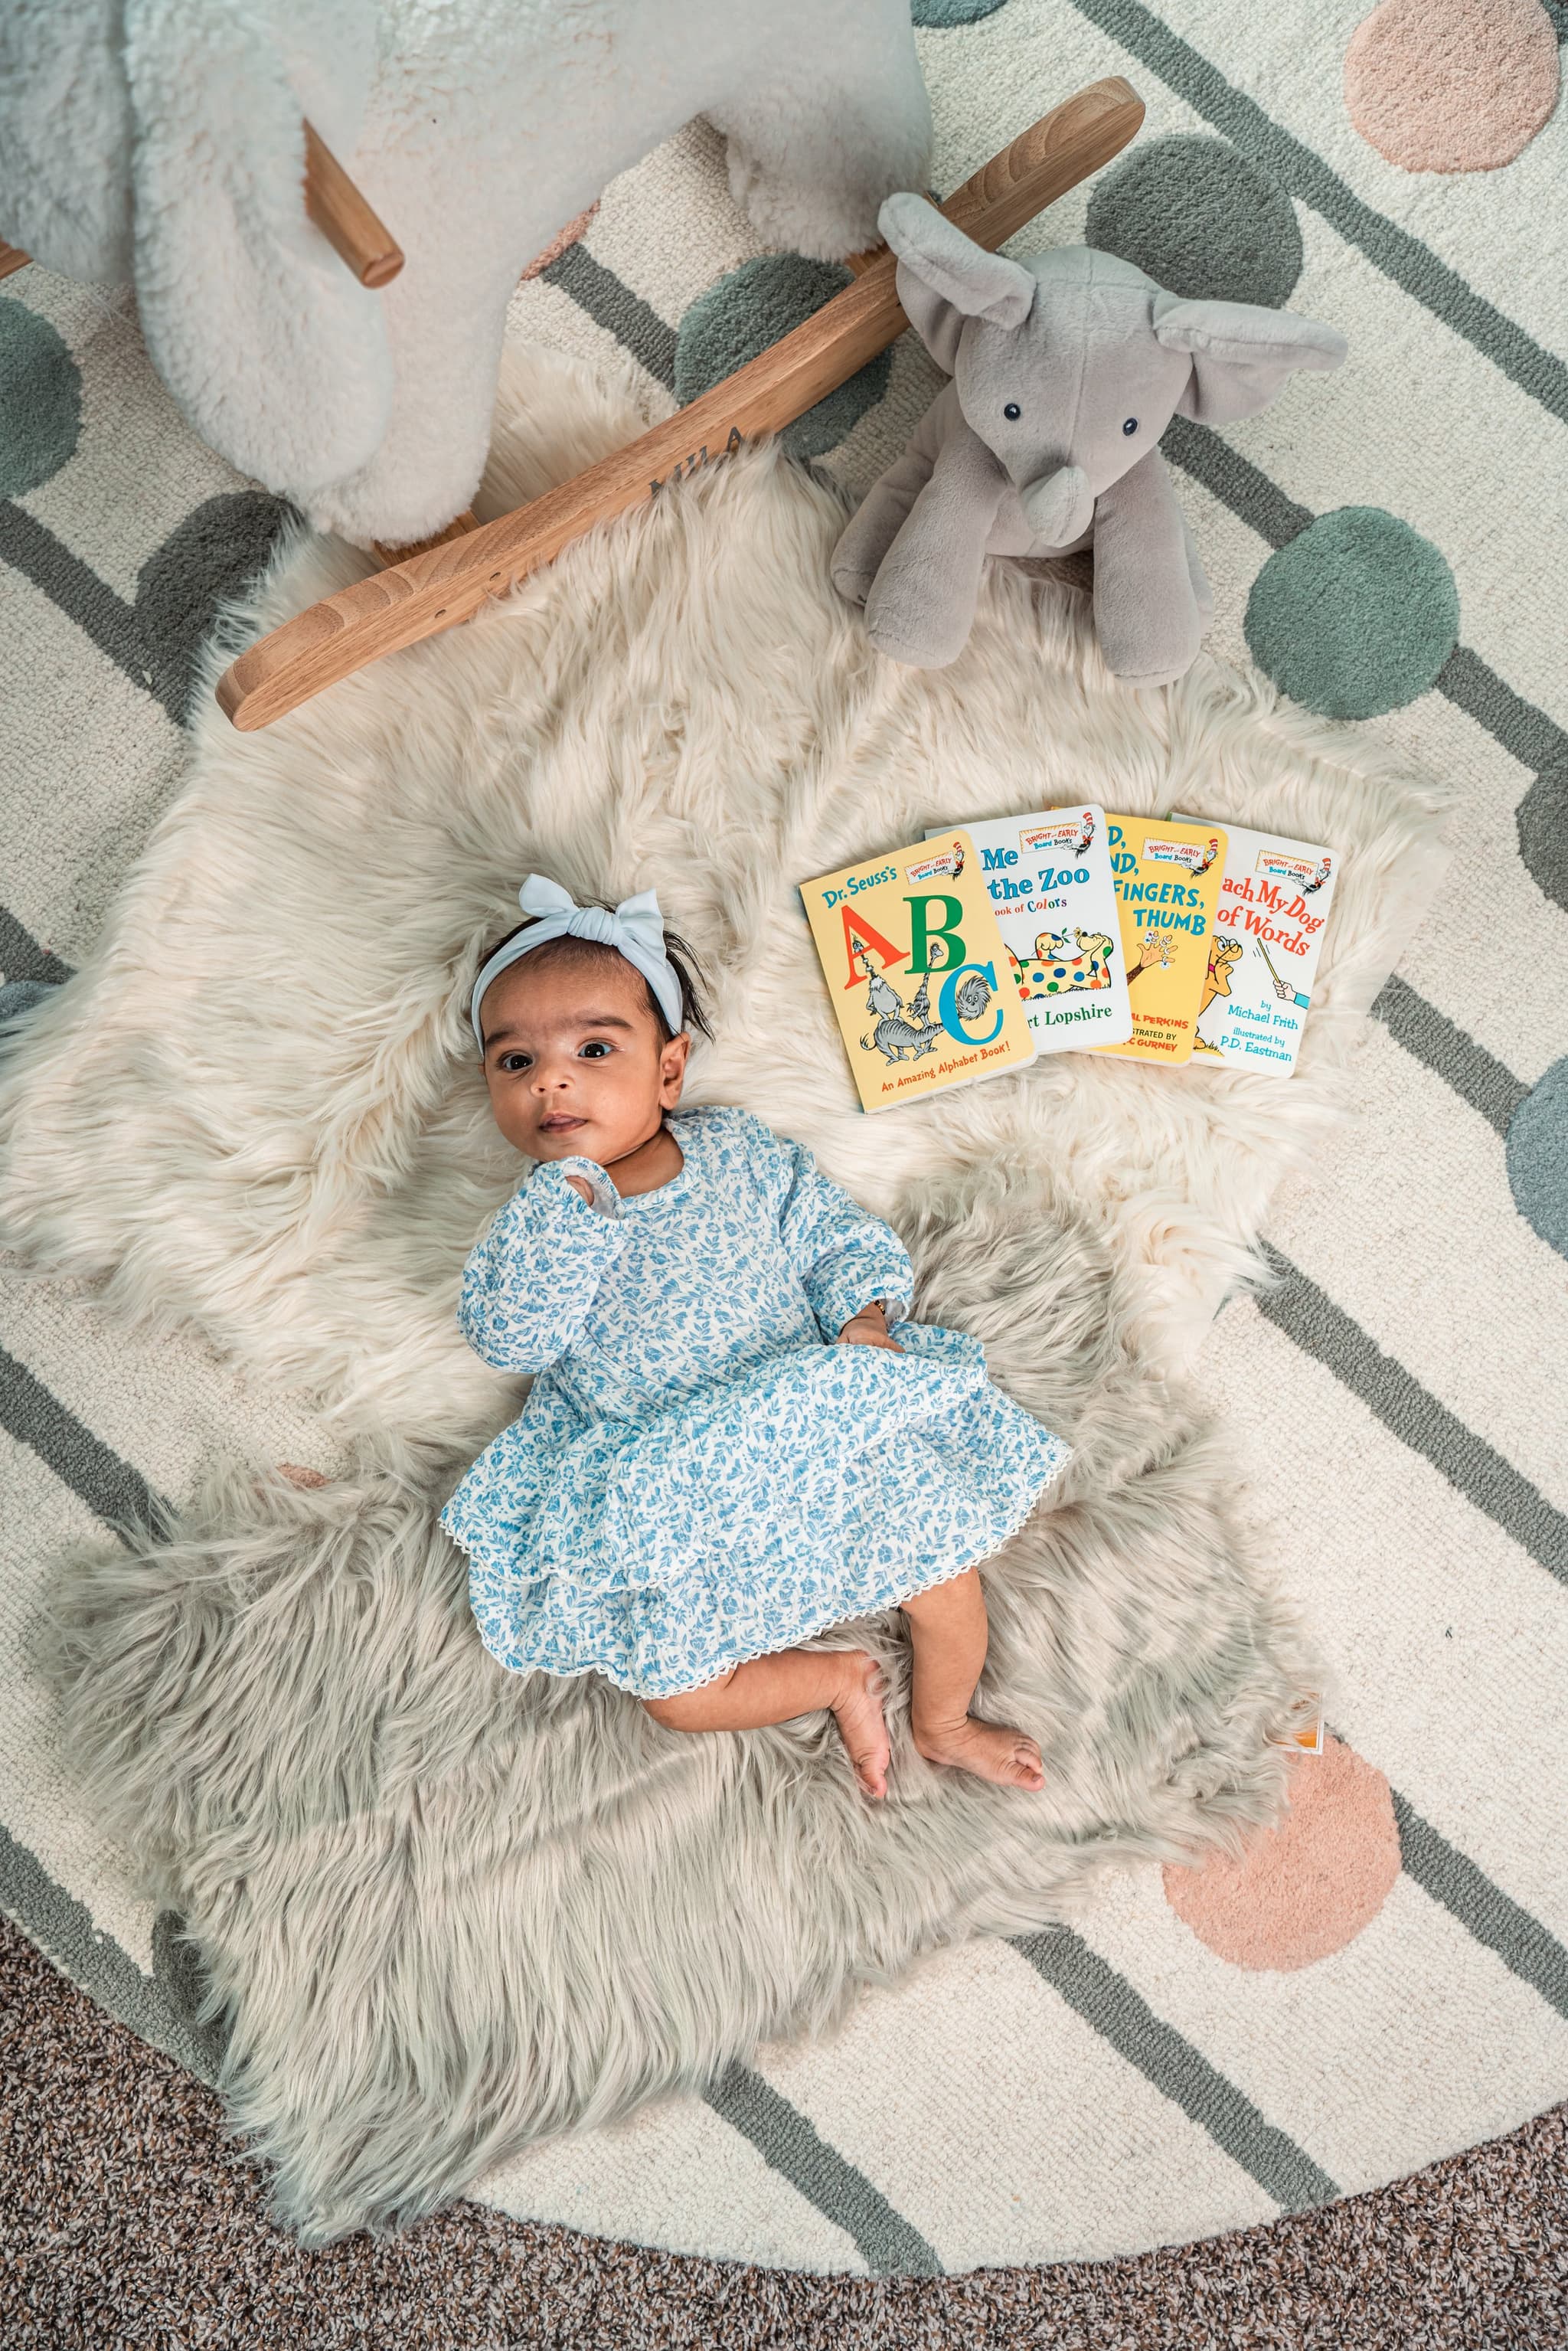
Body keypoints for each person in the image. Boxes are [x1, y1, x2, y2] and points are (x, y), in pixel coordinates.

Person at [442, 875, 1070, 1800]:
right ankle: (837, 1678)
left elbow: (832, 1236)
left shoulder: (736, 1152)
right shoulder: (540, 1223)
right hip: (679, 1486)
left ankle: (942, 1722)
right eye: (513, 1063)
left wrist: (863, 1311)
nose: (551, 1078)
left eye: (592, 1047)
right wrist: (564, 1208)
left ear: (668, 1068)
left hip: (812, 1427)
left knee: (946, 1579)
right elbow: (508, 1335)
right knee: (673, 1690)